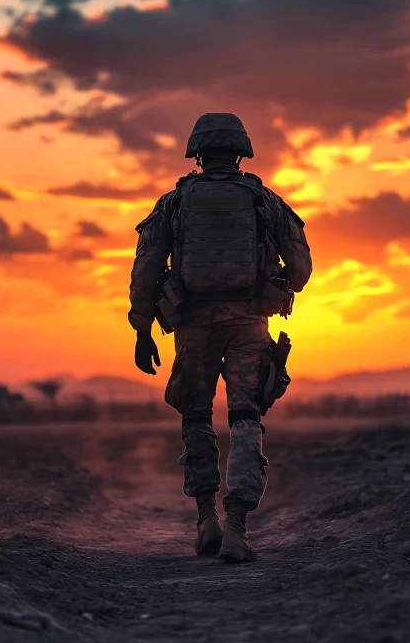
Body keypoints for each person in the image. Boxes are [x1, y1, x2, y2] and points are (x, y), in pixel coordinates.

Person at [128, 113, 312, 563]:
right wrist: (272, 284)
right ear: (241, 151)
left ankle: (206, 519)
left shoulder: (174, 202)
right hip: (250, 322)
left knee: (196, 417)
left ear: (196, 153)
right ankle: (237, 529)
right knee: (246, 417)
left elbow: (147, 270)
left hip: (192, 325)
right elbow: (302, 269)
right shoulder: (265, 201)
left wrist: (142, 328)